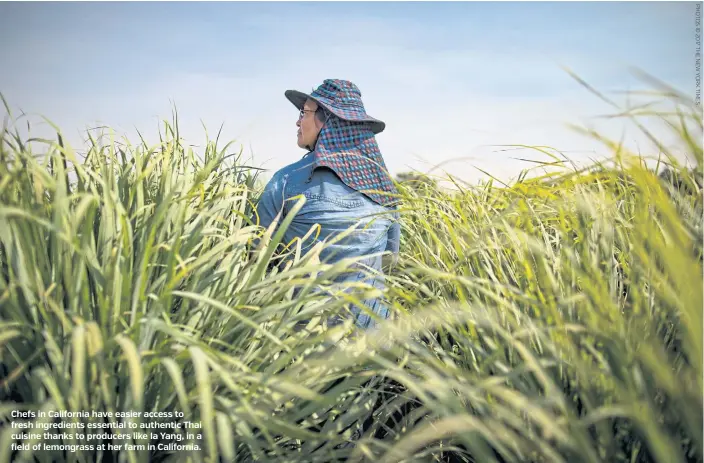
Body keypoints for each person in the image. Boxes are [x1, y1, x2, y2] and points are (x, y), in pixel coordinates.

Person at [252, 79, 401, 331]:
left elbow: (255, 256)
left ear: (327, 120)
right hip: (375, 340)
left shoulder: (286, 181)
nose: (298, 121)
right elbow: (389, 261)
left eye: (304, 113)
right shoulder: (384, 188)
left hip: (305, 341)